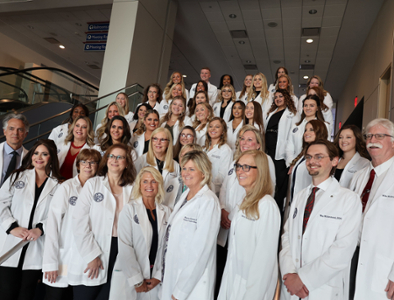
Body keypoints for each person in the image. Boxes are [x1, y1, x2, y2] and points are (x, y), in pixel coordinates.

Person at [280, 139, 362, 300]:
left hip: (323, 287)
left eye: (319, 157)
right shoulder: (301, 196)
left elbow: (343, 249)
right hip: (292, 285)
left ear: (334, 161)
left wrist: (304, 279)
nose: (312, 161)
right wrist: (289, 273)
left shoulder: (348, 199)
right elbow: (287, 237)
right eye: (309, 157)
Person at [70, 143, 136, 300]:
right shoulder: (93, 184)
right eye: (111, 156)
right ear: (106, 160)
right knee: (85, 295)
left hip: (120, 251)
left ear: (127, 163)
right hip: (94, 249)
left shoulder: (132, 188)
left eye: (120, 157)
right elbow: (79, 222)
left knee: (109, 296)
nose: (115, 160)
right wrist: (91, 255)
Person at [217, 125, 276, 297]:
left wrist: (233, 214)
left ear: (258, 144)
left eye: (249, 139)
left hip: (250, 288)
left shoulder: (266, 205)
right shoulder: (235, 161)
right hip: (230, 223)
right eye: (242, 138)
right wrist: (223, 210)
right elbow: (224, 188)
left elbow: (264, 259)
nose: (240, 171)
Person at [0, 139, 62, 300]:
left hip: (36, 249)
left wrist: (41, 229)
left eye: (44, 154)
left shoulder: (58, 184)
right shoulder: (17, 176)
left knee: (26, 295)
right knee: (6, 293)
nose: (38, 157)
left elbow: (60, 214)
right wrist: (12, 226)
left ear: (51, 158)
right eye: (36, 153)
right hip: (10, 245)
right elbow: (1, 203)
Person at [160, 150, 221, 300]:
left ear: (203, 172)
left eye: (192, 169)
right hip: (173, 274)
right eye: (184, 168)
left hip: (192, 285)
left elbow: (201, 251)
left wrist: (181, 291)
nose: (186, 173)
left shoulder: (208, 201)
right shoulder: (185, 196)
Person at [43, 149, 101, 299]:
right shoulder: (67, 187)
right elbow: (52, 225)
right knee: (56, 295)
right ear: (78, 165)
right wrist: (50, 262)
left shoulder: (100, 190)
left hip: (85, 259)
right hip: (63, 257)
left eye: (92, 162)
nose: (88, 165)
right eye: (84, 161)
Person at [109, 167, 172, 300]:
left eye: (153, 181)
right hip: (130, 278)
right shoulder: (129, 210)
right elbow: (125, 247)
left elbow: (168, 248)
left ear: (159, 185)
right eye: (145, 181)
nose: (149, 185)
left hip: (154, 279)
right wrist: (137, 280)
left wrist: (158, 276)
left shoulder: (167, 212)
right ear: (139, 185)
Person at [349, 119, 394, 300]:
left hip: (383, 265)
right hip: (353, 256)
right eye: (369, 136)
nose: (372, 140)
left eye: (380, 136)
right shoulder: (359, 176)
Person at [264, 89, 297, 213]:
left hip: (281, 155)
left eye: (281, 96)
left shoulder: (292, 113)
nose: (278, 99)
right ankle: (268, 209)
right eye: (276, 97)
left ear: (286, 98)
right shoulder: (272, 112)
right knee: (270, 181)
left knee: (279, 184)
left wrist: (291, 159)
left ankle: (277, 211)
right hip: (269, 151)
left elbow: (292, 137)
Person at [134, 128, 180, 209]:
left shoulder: (175, 165)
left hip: (168, 207)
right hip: (145, 207)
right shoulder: (141, 161)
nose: (158, 142)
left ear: (168, 143)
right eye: (155, 139)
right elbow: (135, 187)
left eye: (162, 140)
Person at [288, 120, 328, 203]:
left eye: (311, 130)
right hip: (297, 201)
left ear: (320, 132)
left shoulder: (323, 155)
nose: (306, 133)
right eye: (305, 130)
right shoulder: (303, 154)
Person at [286, 95, 330, 167]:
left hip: (315, 165)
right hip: (296, 164)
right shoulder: (296, 126)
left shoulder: (324, 125)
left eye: (311, 105)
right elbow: (289, 147)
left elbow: (326, 148)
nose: (308, 108)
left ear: (317, 108)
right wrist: (292, 163)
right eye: (305, 105)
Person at [204, 117, 232, 196]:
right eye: (211, 126)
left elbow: (223, 175)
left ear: (223, 131)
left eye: (217, 127)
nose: (213, 129)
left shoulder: (226, 150)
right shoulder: (204, 148)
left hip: (214, 191)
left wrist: (210, 188)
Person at [0, 113, 29, 187]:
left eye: (20, 130)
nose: (15, 133)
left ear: (25, 134)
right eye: (11, 129)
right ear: (4, 131)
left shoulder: (30, 158)